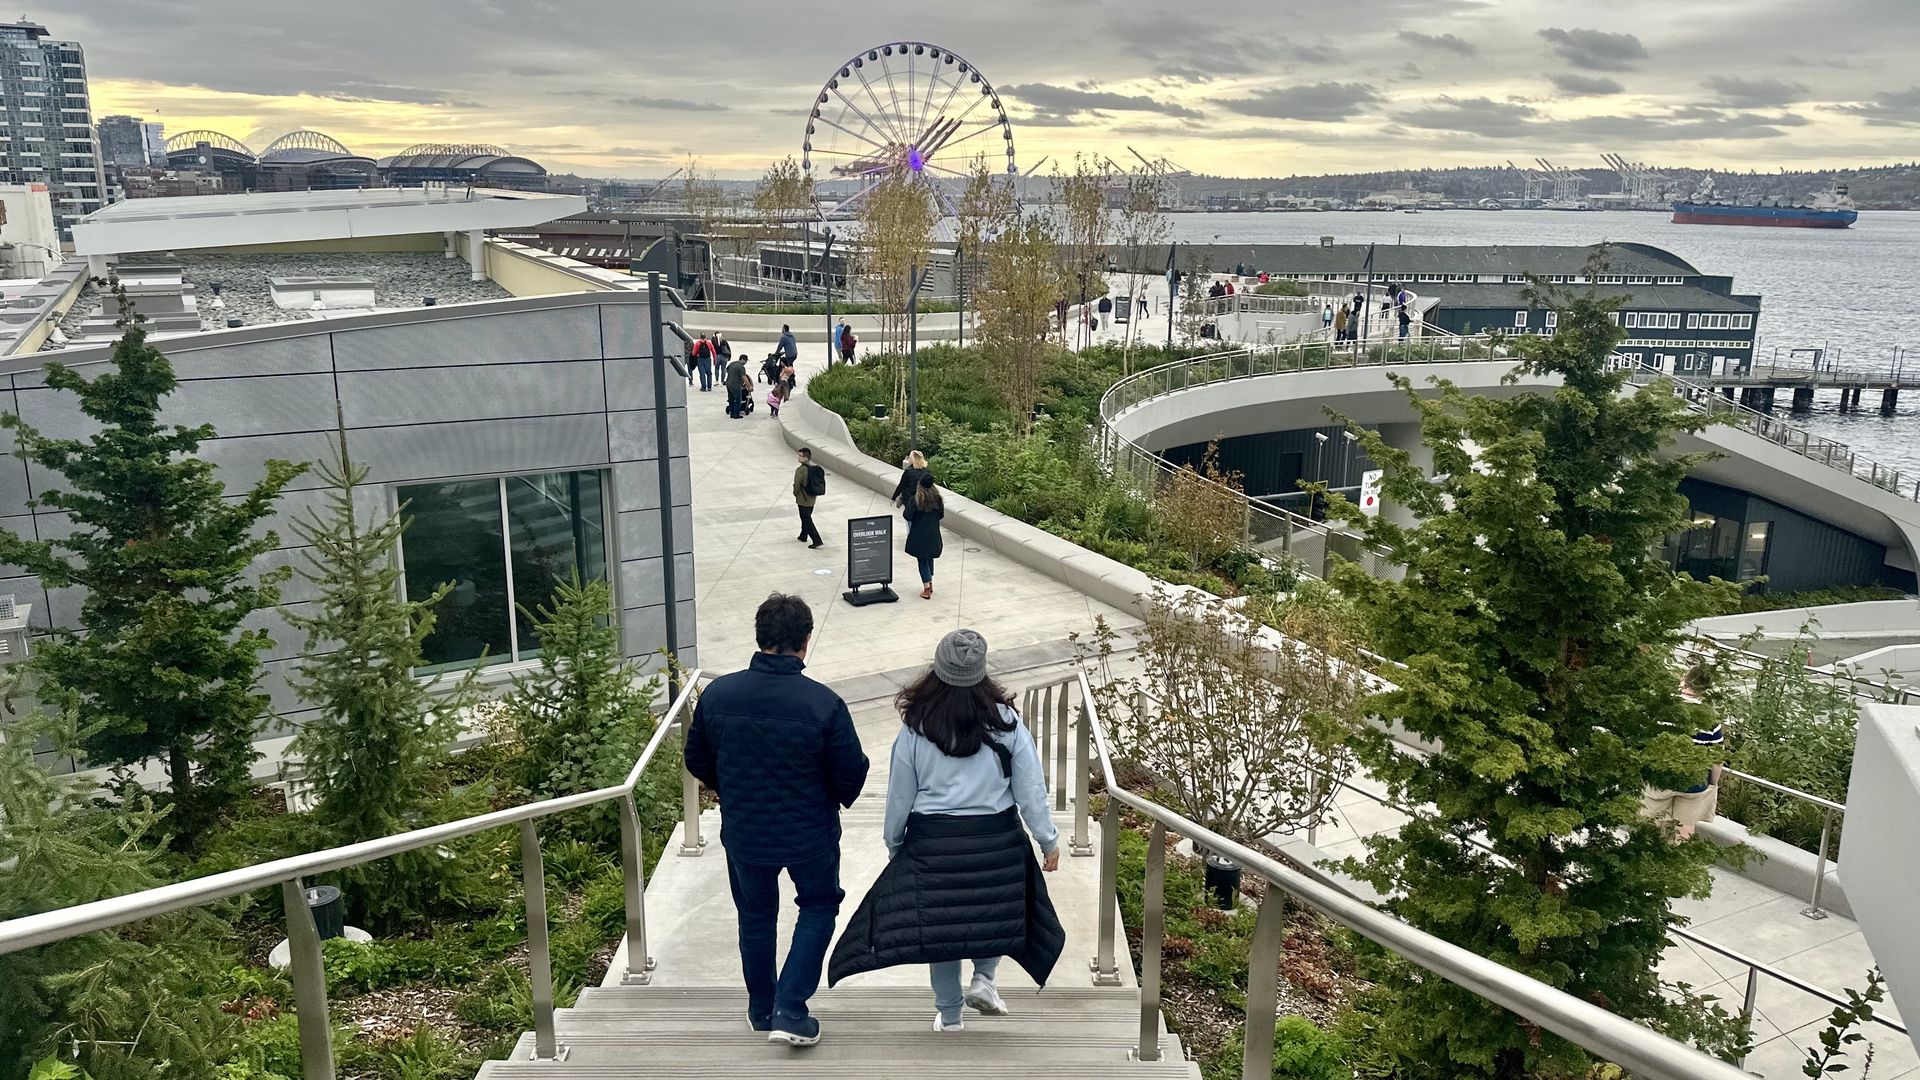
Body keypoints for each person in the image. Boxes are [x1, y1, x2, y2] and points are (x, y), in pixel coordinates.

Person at [827, 629, 1063, 1031]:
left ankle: (950, 1016)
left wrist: (895, 843)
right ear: (981, 673)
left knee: (940, 932)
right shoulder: (1006, 723)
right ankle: (984, 979)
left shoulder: (918, 727)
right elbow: (1030, 789)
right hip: (996, 839)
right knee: (994, 914)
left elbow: (900, 795)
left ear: (936, 671)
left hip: (934, 843)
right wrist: (1048, 840)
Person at [685, 594, 870, 1047]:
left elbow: (696, 759)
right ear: (806, 642)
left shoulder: (719, 694)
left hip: (745, 832)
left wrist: (730, 787)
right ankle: (791, 1006)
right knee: (820, 904)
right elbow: (852, 775)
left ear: (759, 637)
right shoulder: (823, 704)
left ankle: (761, 1008)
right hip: (810, 833)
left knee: (755, 915)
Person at [1642, 667, 1727, 841]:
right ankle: (1674, 856)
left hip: (1660, 777)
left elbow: (1644, 741)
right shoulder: (1711, 719)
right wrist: (1713, 782)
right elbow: (1717, 758)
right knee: (1684, 828)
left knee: (1652, 824)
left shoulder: (1663, 709)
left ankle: (1653, 854)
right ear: (1706, 689)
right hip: (1694, 782)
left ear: (1684, 681)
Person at [903, 474, 944, 599]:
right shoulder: (938, 499)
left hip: (919, 534)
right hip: (933, 533)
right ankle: (930, 581)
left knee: (922, 560)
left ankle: (926, 587)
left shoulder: (916, 500)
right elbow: (941, 515)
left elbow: (908, 515)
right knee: (929, 556)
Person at [793, 447, 825, 549]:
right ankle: (803, 535)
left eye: (800, 455)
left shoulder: (800, 470)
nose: (798, 457)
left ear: (806, 457)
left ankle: (817, 540)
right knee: (806, 516)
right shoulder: (815, 468)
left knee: (806, 518)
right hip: (812, 498)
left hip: (803, 499)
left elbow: (797, 485)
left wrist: (795, 493)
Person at [725, 348, 750, 418]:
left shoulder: (732, 363)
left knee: (731, 399)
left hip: (728, 383)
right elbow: (745, 378)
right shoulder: (741, 367)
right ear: (742, 359)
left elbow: (726, 370)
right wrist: (749, 386)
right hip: (735, 385)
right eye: (745, 361)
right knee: (738, 399)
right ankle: (736, 414)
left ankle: (732, 413)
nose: (746, 362)